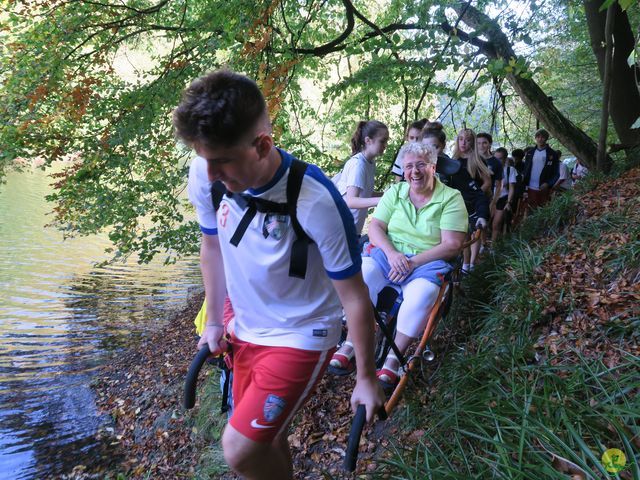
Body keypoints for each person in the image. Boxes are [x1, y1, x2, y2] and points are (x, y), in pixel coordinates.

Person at [175, 70, 384, 480]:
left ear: (262, 145)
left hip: (300, 334)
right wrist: (215, 319)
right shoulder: (207, 170)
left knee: (238, 449)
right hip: (244, 328)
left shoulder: (316, 200)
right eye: (204, 160)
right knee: (269, 441)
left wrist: (365, 376)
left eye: (221, 162)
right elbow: (212, 246)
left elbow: (355, 296)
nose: (210, 174)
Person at [365, 142, 467, 384]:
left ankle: (394, 356)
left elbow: (452, 244)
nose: (415, 171)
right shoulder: (396, 192)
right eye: (409, 166)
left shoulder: (451, 198)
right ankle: (355, 341)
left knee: (422, 294)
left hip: (426, 261)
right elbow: (376, 227)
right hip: (389, 256)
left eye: (421, 165)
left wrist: (412, 262)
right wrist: (392, 254)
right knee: (362, 275)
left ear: (433, 167)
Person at [334, 120, 389, 235]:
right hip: (342, 230)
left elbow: (365, 193)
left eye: (386, 141)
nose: (385, 145)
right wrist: (384, 200)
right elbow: (351, 201)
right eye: (382, 141)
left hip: (352, 229)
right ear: (368, 140)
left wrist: (388, 194)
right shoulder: (358, 165)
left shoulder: (370, 162)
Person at [451, 128, 491, 271]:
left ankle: (472, 263)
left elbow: (487, 182)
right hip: (457, 204)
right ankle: (465, 264)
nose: (464, 142)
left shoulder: (477, 160)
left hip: (475, 204)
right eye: (461, 139)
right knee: (464, 235)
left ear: (472, 142)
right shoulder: (453, 160)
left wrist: (476, 195)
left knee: (475, 233)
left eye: (468, 140)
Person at [522, 129, 560, 210]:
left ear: (546, 139)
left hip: (543, 187)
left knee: (542, 210)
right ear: (535, 138)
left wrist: (548, 183)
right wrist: (523, 186)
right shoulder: (530, 152)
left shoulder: (552, 154)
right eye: (538, 137)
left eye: (543, 137)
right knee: (529, 210)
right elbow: (525, 170)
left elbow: (556, 173)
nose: (540, 139)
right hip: (529, 187)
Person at [491, 147, 516, 242]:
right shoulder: (488, 168)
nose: (497, 160)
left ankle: (493, 246)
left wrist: (508, 202)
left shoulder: (510, 170)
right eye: (495, 158)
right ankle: (483, 244)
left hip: (502, 198)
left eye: (500, 158)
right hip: (489, 198)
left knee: (496, 223)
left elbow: (511, 188)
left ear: (505, 159)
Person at [476, 133, 504, 217]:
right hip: (471, 198)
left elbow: (499, 186)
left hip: (486, 198)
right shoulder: (471, 159)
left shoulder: (496, 162)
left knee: (483, 226)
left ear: (490, 144)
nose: (481, 146)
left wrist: (493, 203)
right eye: (478, 143)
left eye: (484, 143)